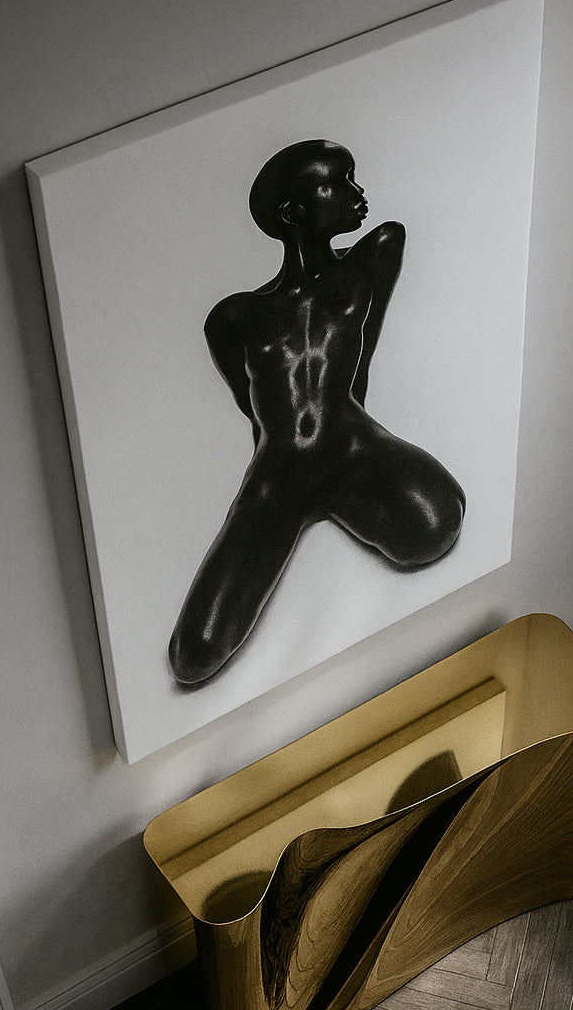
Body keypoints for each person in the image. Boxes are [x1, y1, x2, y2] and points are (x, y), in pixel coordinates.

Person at [168, 139, 466, 687]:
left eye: (353, 177)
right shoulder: (233, 318)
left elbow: (363, 355)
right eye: (338, 183)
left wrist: (351, 438)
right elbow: (251, 405)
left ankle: (332, 487)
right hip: (279, 472)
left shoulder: (375, 255)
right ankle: (311, 492)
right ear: (292, 213)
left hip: (353, 444)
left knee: (439, 521)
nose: (357, 192)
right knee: (194, 656)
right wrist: (280, 471)